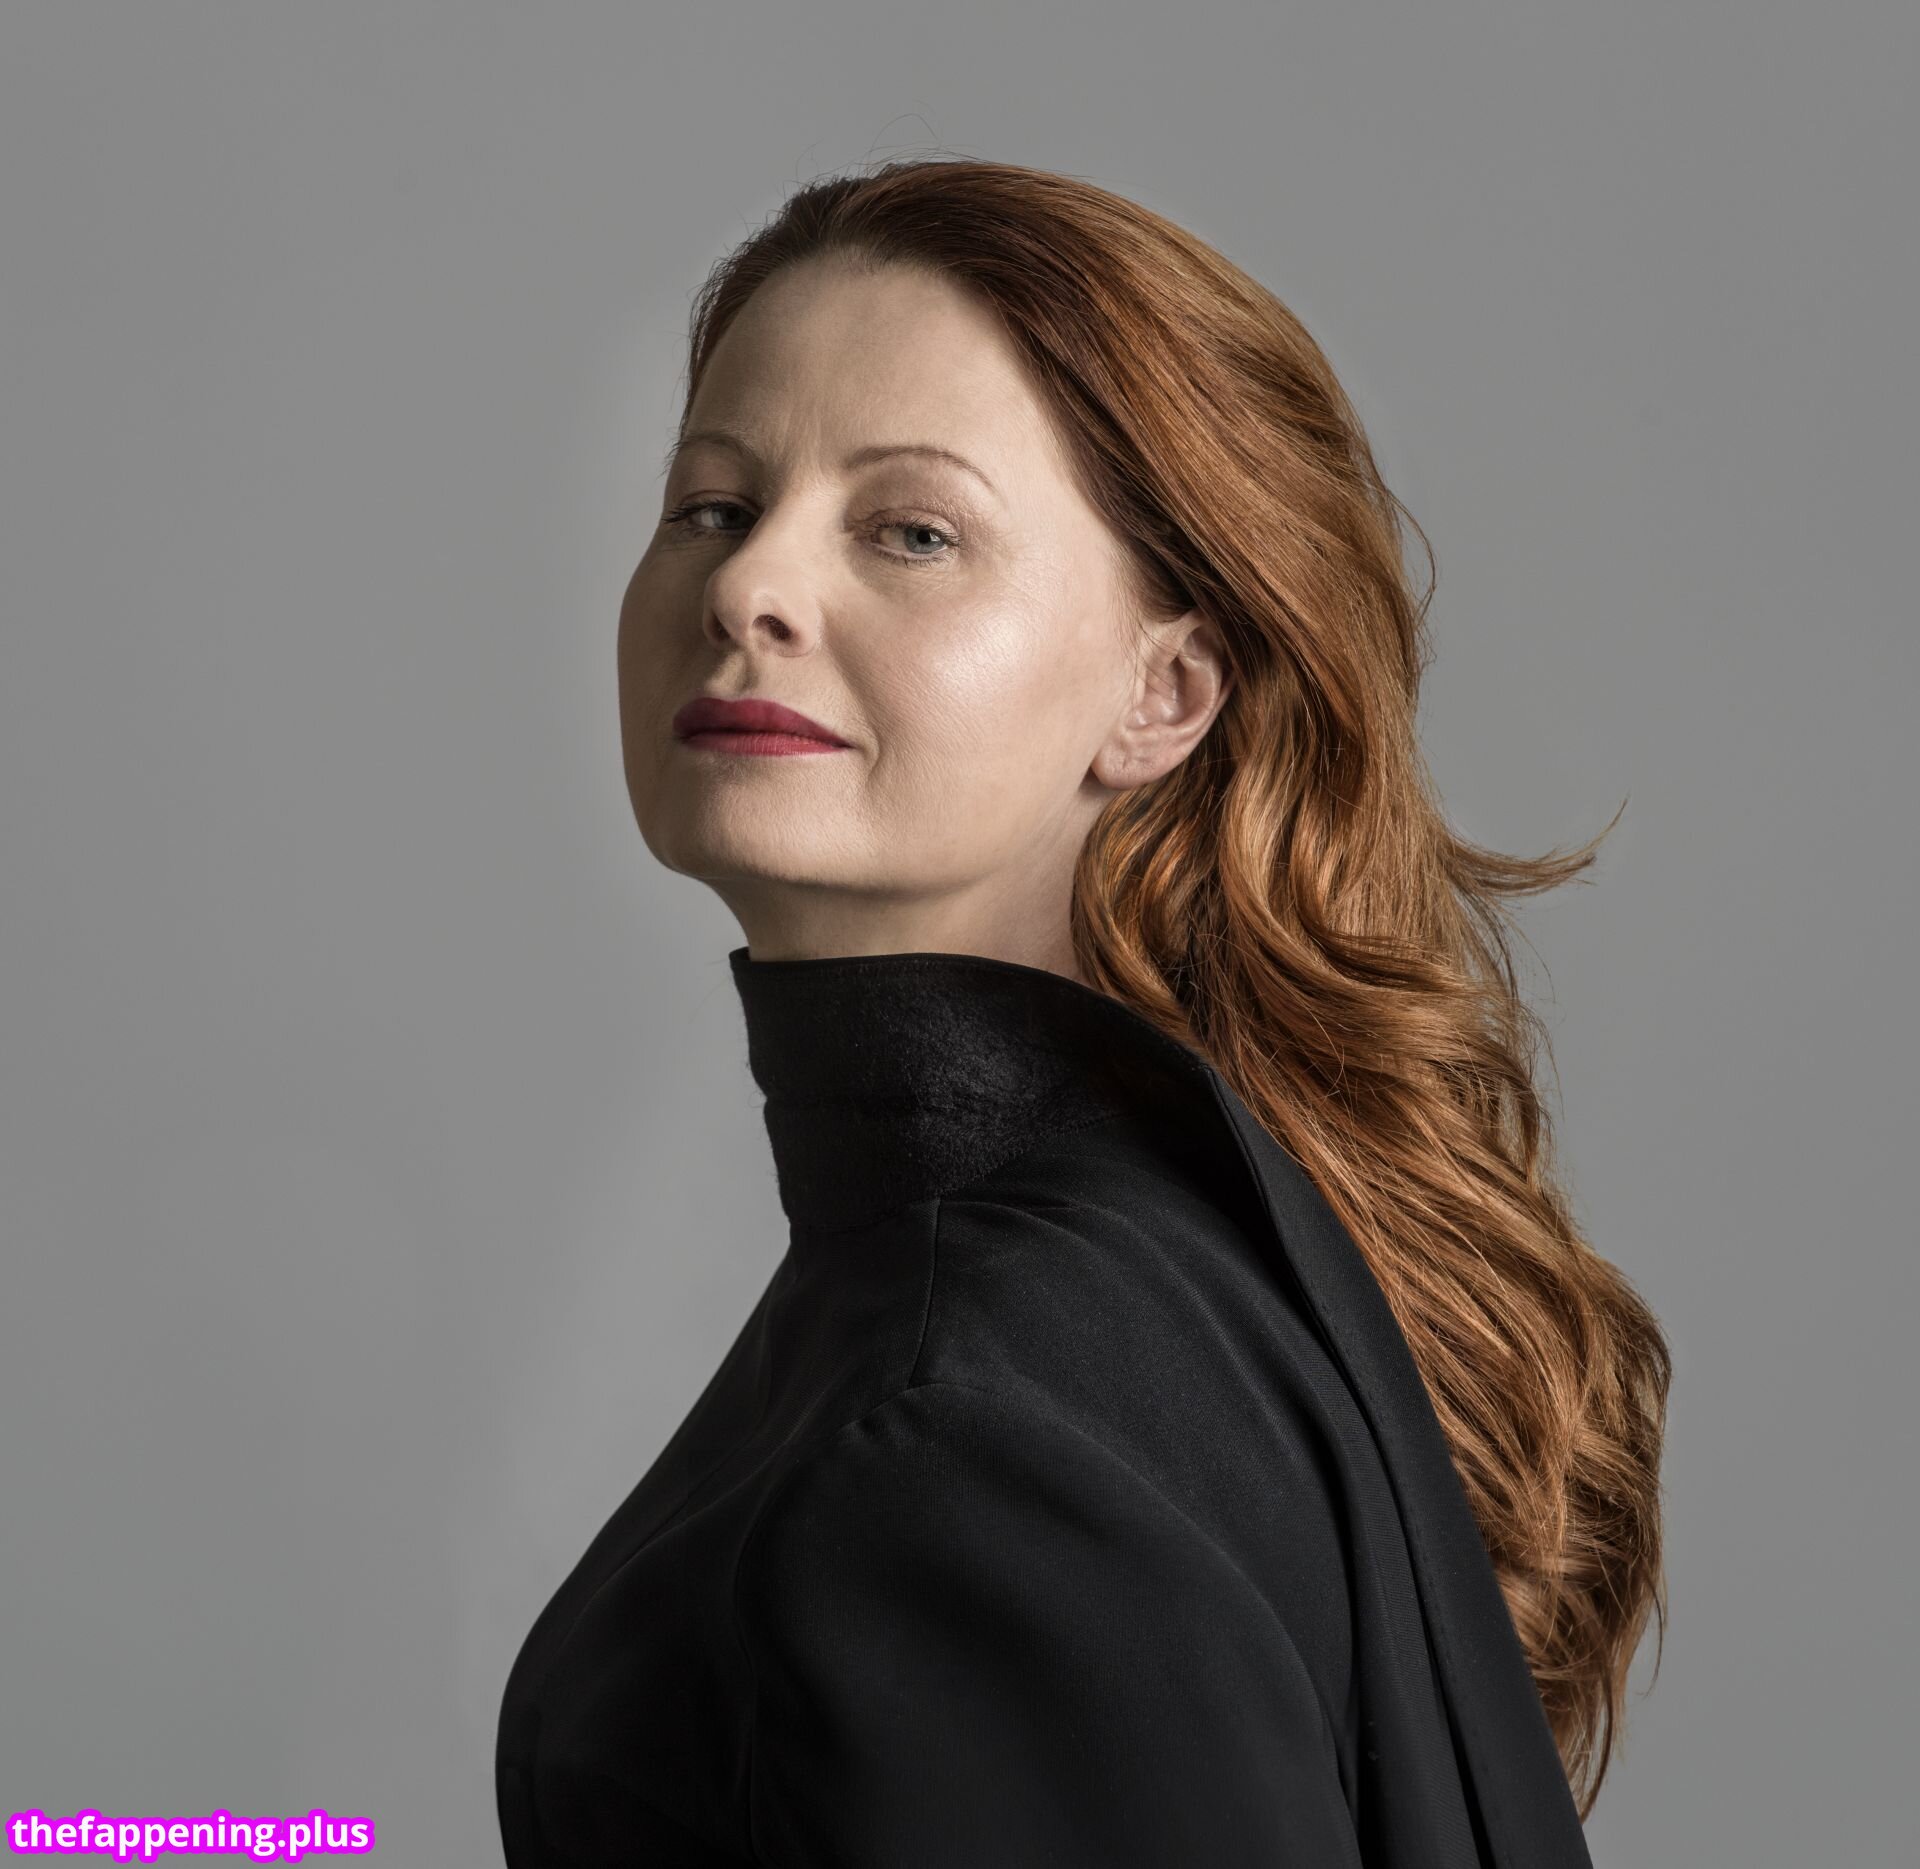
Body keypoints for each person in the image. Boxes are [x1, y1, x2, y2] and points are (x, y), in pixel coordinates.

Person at [495, 156, 1671, 1867]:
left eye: (912, 531)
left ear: (1162, 693)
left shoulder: (958, 1439)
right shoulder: (1178, 1256)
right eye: (713, 505)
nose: (749, 589)